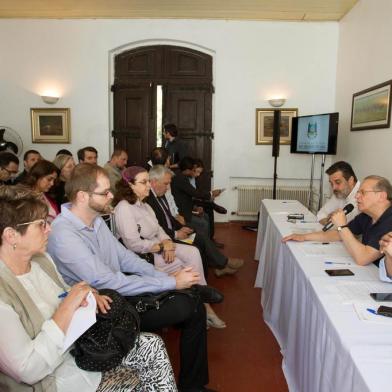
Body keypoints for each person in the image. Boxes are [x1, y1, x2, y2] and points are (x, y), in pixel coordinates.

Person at [47, 163, 213, 392]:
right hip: (98, 312)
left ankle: (193, 385)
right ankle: (192, 294)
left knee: (193, 305)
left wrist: (161, 274)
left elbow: (125, 257)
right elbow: (106, 282)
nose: (111, 196)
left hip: (116, 293)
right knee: (188, 306)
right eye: (104, 192)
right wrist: (171, 282)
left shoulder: (94, 220)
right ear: (82, 196)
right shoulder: (64, 233)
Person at [0, 186, 177, 392]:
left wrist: (85, 293)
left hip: (82, 350)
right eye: (41, 224)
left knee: (152, 345)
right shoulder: (4, 293)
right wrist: (67, 306)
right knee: (141, 377)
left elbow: (64, 292)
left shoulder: (41, 260)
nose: (49, 229)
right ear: (11, 235)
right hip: (54, 379)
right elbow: (28, 370)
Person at [113, 166, 226, 328]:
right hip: (145, 255)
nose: (149, 186)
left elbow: (158, 229)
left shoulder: (144, 205)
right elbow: (133, 244)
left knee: (194, 252)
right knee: (182, 265)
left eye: (148, 182)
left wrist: (167, 243)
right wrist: (162, 246)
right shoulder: (124, 208)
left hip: (160, 247)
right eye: (144, 182)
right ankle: (199, 306)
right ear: (130, 185)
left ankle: (201, 301)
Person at [147, 165, 244, 278]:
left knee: (199, 232)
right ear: (153, 182)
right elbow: (156, 228)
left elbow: (169, 217)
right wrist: (176, 233)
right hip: (167, 237)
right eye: (166, 183)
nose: (168, 187)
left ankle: (221, 265)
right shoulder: (149, 201)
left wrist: (180, 226)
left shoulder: (160, 195)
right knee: (199, 241)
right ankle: (223, 264)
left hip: (173, 230)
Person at [283, 175, 392, 266]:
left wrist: (342, 226)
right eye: (358, 192)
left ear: (382, 196)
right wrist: (304, 236)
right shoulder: (367, 215)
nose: (357, 196)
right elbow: (338, 234)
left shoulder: (389, 221)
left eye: (363, 192)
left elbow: (362, 259)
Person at [149, 146, 186, 225]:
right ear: (165, 162)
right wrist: (176, 215)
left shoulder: (165, 174)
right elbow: (167, 201)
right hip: (167, 218)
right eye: (169, 159)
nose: (170, 161)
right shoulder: (159, 178)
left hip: (173, 214)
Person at [317, 161, 360, 225]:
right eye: (331, 183)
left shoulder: (361, 197)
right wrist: (328, 221)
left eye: (338, 182)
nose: (334, 188)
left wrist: (333, 222)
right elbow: (321, 214)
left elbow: (347, 227)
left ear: (351, 180)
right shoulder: (340, 193)